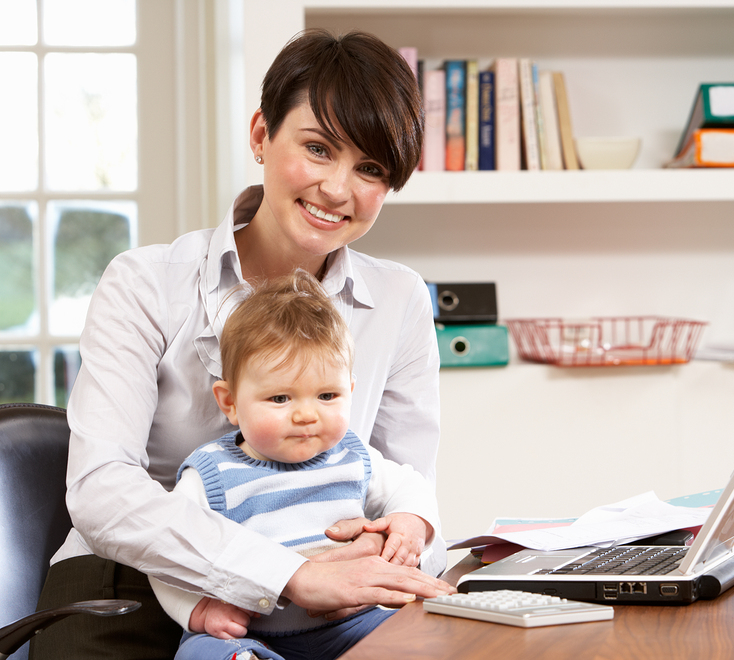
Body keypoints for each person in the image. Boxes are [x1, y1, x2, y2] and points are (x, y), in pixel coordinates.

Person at [31, 28, 450, 660]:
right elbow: (101, 489)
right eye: (317, 149)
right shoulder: (145, 283)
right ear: (261, 135)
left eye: (369, 168)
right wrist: (282, 572)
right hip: (135, 575)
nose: (338, 190)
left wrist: (400, 538)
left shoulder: (399, 300)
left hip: (324, 592)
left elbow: (407, 482)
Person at [150, 269, 440, 660]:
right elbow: (167, 553)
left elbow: (411, 487)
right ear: (229, 402)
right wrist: (199, 610)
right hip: (253, 633)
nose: (306, 414)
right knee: (202, 652)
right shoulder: (211, 475)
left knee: (425, 628)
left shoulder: (353, 455)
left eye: (326, 395)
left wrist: (409, 522)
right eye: (281, 399)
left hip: (351, 623)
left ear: (349, 391)